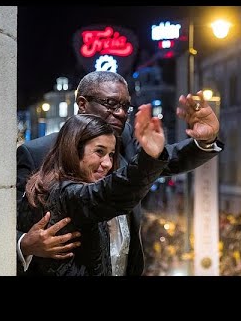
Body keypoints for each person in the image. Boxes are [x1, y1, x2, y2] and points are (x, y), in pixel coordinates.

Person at [17, 70, 223, 276]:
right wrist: (23, 245)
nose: (122, 113)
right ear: (82, 104)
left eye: (126, 106)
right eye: (111, 104)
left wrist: (205, 141)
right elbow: (4, 221)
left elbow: (164, 160)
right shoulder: (37, 153)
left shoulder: (124, 140)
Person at [17, 108, 168, 275]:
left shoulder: (61, 185)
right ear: (74, 149)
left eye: (111, 154)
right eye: (99, 152)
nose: (108, 163)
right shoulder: (63, 193)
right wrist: (149, 158)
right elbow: (110, 193)